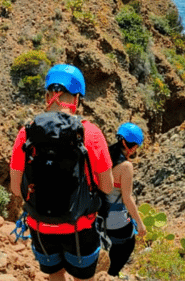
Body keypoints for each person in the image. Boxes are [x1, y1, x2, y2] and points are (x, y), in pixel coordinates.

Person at [9, 64, 114, 281]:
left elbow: (15, 189)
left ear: (47, 95)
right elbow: (107, 186)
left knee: (54, 276)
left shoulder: (26, 133)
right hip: (80, 227)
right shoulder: (91, 134)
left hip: (40, 226)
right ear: (76, 98)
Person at [102, 122, 148, 277]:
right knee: (128, 244)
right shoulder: (126, 167)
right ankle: (111, 274)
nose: (135, 149)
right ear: (129, 145)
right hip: (115, 219)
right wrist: (140, 224)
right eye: (135, 146)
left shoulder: (106, 154)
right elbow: (127, 199)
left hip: (98, 214)